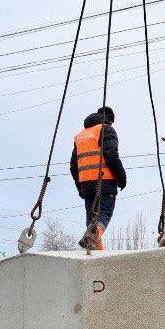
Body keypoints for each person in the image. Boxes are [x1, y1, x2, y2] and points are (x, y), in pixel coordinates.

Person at [70, 106, 127, 251]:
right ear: (109, 119)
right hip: (105, 182)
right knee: (104, 215)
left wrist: (80, 188)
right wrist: (121, 178)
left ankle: (98, 254)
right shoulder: (106, 129)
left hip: (87, 186)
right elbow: (111, 155)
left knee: (92, 222)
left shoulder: (80, 136)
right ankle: (92, 239)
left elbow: (73, 166)